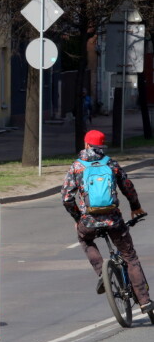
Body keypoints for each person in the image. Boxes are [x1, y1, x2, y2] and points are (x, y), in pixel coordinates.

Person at [61, 129, 153, 313]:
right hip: (113, 220)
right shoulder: (111, 164)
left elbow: (67, 198)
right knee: (130, 257)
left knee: (85, 239)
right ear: (101, 146)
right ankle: (145, 302)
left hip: (88, 221)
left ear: (86, 144)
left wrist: (78, 218)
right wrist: (135, 207)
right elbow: (127, 186)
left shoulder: (77, 167)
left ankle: (102, 273)